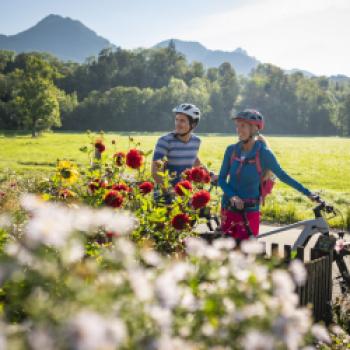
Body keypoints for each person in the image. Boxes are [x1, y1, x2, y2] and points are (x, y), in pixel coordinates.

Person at [218, 108, 317, 242]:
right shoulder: (231, 151)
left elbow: (283, 176)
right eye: (237, 126)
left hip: (250, 212)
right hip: (228, 208)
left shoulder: (264, 154)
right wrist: (233, 196)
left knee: (247, 255)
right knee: (224, 253)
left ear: (254, 129)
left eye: (243, 126)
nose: (238, 129)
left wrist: (308, 193)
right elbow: (222, 180)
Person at [152, 103, 202, 192]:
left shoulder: (196, 141)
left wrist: (211, 174)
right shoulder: (164, 141)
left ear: (193, 124)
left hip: (185, 194)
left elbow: (194, 160)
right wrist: (172, 192)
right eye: (176, 120)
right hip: (164, 195)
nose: (178, 124)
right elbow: (155, 172)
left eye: (182, 121)